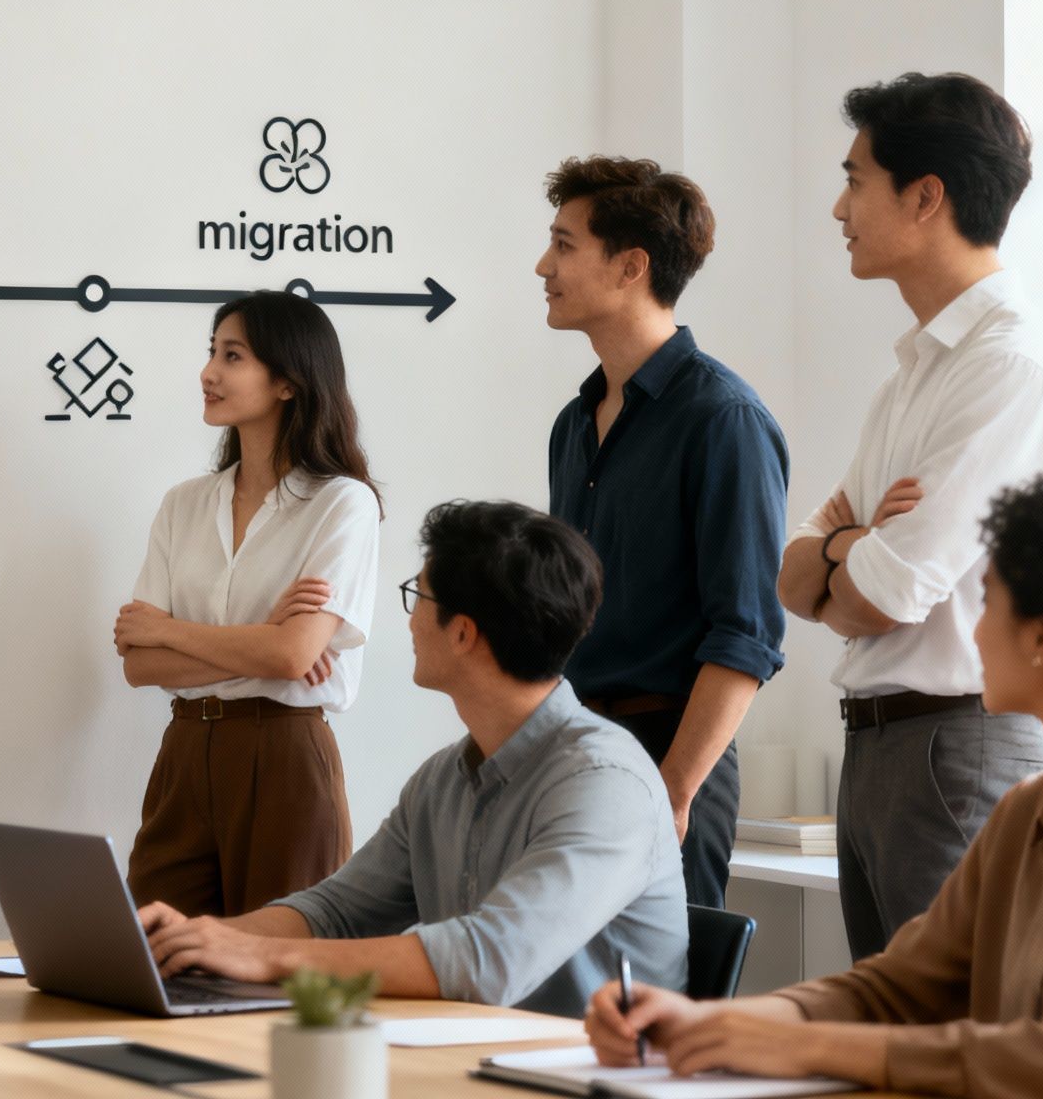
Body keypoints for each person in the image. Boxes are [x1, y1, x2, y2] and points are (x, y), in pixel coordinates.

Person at [589, 474, 1043, 1098]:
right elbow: (890, 989)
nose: (972, 629)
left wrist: (798, 1046)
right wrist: (714, 1022)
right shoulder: (1028, 815)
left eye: (986, 601)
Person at [775, 72, 1043, 958]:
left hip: (962, 745)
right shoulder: (913, 373)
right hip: (884, 748)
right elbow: (793, 578)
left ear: (926, 197)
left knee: (957, 1048)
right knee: (886, 1052)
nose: (838, 208)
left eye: (854, 180)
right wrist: (849, 546)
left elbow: (881, 595)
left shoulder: (1014, 367)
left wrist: (844, 548)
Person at [138, 500, 687, 1018]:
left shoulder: (605, 783)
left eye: (417, 597)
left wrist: (260, 957)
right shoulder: (443, 780)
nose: (408, 621)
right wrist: (201, 942)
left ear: (464, 633)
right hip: (472, 1062)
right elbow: (335, 913)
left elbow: (487, 960)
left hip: (587, 1078)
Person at [537, 156, 790, 908]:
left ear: (631, 267)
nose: (542, 265)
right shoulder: (573, 424)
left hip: (670, 756)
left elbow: (745, 636)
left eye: (564, 244)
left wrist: (674, 790)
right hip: (577, 751)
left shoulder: (723, 419)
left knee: (669, 1013)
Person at [114, 290, 382, 917]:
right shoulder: (184, 504)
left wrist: (169, 630)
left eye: (232, 356)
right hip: (183, 754)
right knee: (150, 961)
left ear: (288, 382)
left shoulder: (342, 503)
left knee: (272, 980)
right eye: (212, 352)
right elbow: (139, 666)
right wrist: (263, 643)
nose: (209, 372)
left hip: (283, 754)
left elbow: (291, 658)